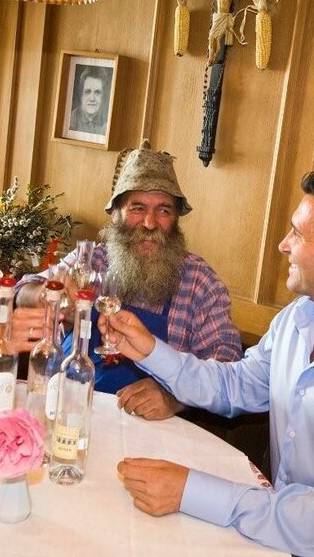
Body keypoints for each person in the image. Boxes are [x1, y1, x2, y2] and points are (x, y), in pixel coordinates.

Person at [100, 167, 314, 557]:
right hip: (272, 530)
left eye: (298, 234)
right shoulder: (296, 319)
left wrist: (191, 491)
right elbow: (236, 385)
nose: (283, 245)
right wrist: (149, 350)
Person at [17, 140, 242, 420]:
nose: (150, 223)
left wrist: (173, 395)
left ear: (175, 220)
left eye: (163, 210)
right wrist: (45, 294)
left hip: (149, 431)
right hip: (68, 412)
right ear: (116, 215)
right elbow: (23, 292)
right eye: (137, 208)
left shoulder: (198, 281)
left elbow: (228, 362)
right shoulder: (91, 261)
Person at [69, 66, 108, 135]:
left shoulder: (108, 122)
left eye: (97, 92)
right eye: (87, 92)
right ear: (81, 93)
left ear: (103, 95)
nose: (92, 98)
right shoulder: (70, 120)